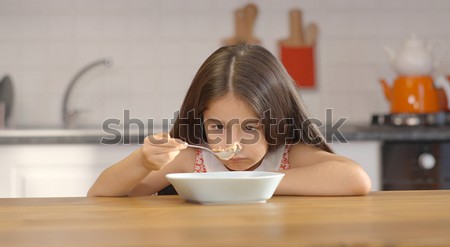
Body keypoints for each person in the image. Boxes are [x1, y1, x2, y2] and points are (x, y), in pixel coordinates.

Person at [87, 43, 371, 197]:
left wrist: (253, 182)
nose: (232, 143)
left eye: (250, 127)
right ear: (200, 121)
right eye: (217, 127)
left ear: (278, 122)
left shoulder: (288, 154)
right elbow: (100, 194)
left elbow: (355, 179)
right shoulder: (193, 159)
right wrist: (142, 162)